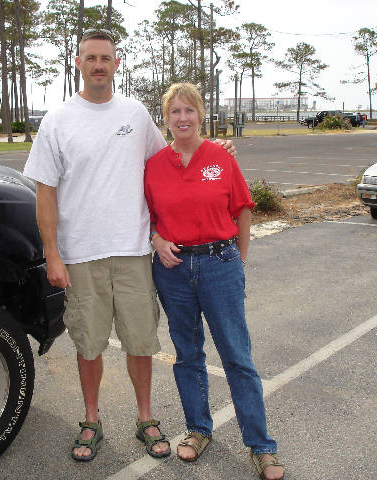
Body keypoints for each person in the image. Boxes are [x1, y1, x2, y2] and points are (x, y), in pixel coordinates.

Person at [23, 29, 235, 462]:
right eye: (90, 58)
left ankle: (145, 417)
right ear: (78, 63)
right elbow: (45, 193)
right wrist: (52, 254)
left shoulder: (136, 114)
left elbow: (171, 159)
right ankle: (91, 419)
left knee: (140, 342)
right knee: (89, 344)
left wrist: (215, 151)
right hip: (81, 256)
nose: (99, 65)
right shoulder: (58, 120)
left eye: (106, 58)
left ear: (117, 64)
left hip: (135, 252)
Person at [144, 83, 285, 480]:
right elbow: (147, 216)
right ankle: (198, 430)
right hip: (173, 271)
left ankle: (261, 446)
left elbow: (242, 210)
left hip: (219, 264)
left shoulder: (220, 157)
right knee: (187, 355)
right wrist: (156, 238)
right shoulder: (154, 165)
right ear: (166, 118)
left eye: (189, 110)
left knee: (237, 357)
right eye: (175, 112)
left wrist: (238, 260)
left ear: (201, 115)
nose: (183, 118)